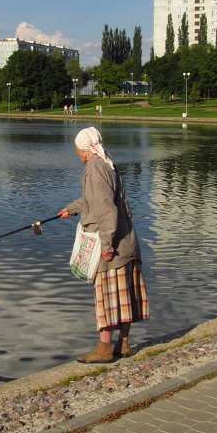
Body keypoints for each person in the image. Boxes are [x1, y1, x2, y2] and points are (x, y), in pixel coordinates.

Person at [59, 127, 149, 363]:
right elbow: (96, 199)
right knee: (125, 294)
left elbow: (106, 209)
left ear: (83, 149)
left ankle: (104, 349)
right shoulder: (106, 162)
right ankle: (124, 345)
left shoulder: (94, 167)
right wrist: (72, 208)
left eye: (77, 149)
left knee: (108, 297)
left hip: (113, 243)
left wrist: (107, 246)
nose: (76, 153)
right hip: (127, 240)